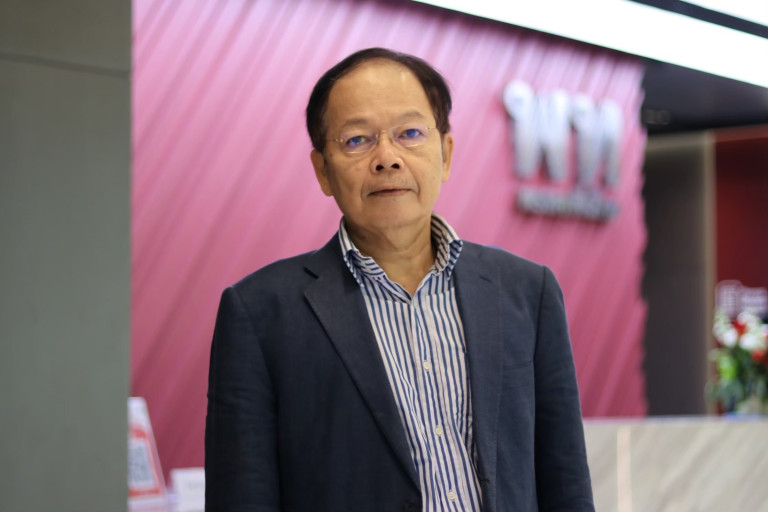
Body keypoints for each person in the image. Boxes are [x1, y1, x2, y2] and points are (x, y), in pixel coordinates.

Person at [205, 47, 594, 512]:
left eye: (409, 133)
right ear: (322, 170)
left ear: (445, 154)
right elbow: (242, 497)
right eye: (356, 140)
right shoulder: (260, 314)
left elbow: (565, 479)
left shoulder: (527, 292)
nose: (387, 158)